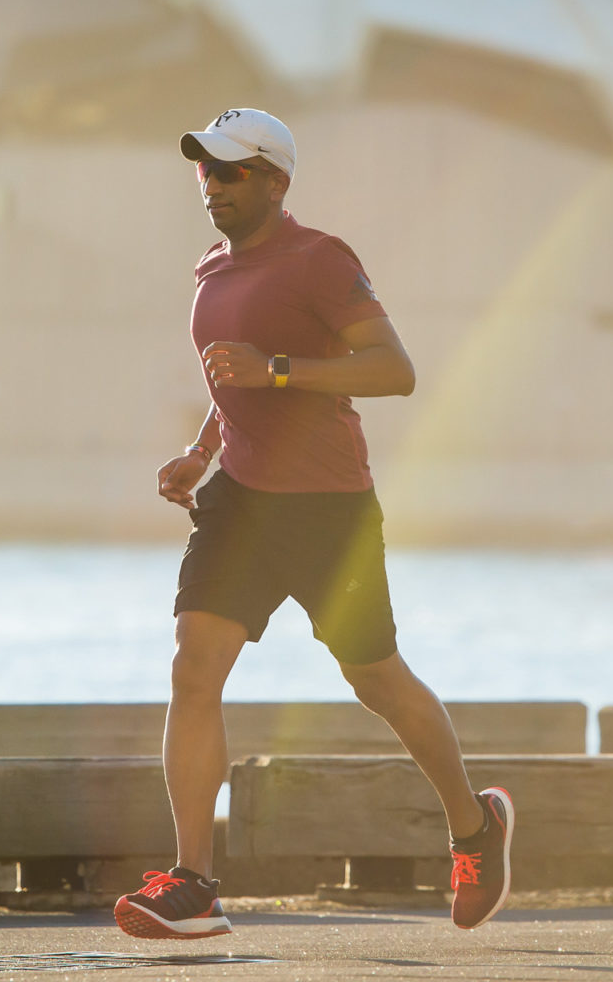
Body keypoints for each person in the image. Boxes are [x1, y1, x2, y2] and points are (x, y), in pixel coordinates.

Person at [113, 108, 514, 940]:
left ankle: (475, 829)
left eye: (230, 172)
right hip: (241, 504)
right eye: (203, 172)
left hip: (329, 510)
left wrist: (280, 370)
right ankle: (195, 882)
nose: (212, 187)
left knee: (377, 681)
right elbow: (234, 384)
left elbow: (393, 371)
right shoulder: (211, 269)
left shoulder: (321, 261)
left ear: (274, 180)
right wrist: (200, 451)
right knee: (195, 665)